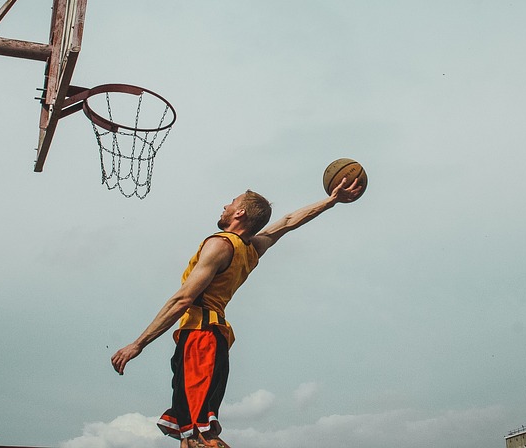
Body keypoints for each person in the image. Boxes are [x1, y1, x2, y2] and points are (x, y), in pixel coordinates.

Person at [111, 177, 362, 448]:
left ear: (240, 212)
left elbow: (182, 299)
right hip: (207, 337)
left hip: (201, 338)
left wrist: (138, 344)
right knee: (190, 434)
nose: (225, 206)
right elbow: (289, 221)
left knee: (199, 436)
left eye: (231, 203)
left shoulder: (220, 245)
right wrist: (330, 201)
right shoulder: (252, 247)